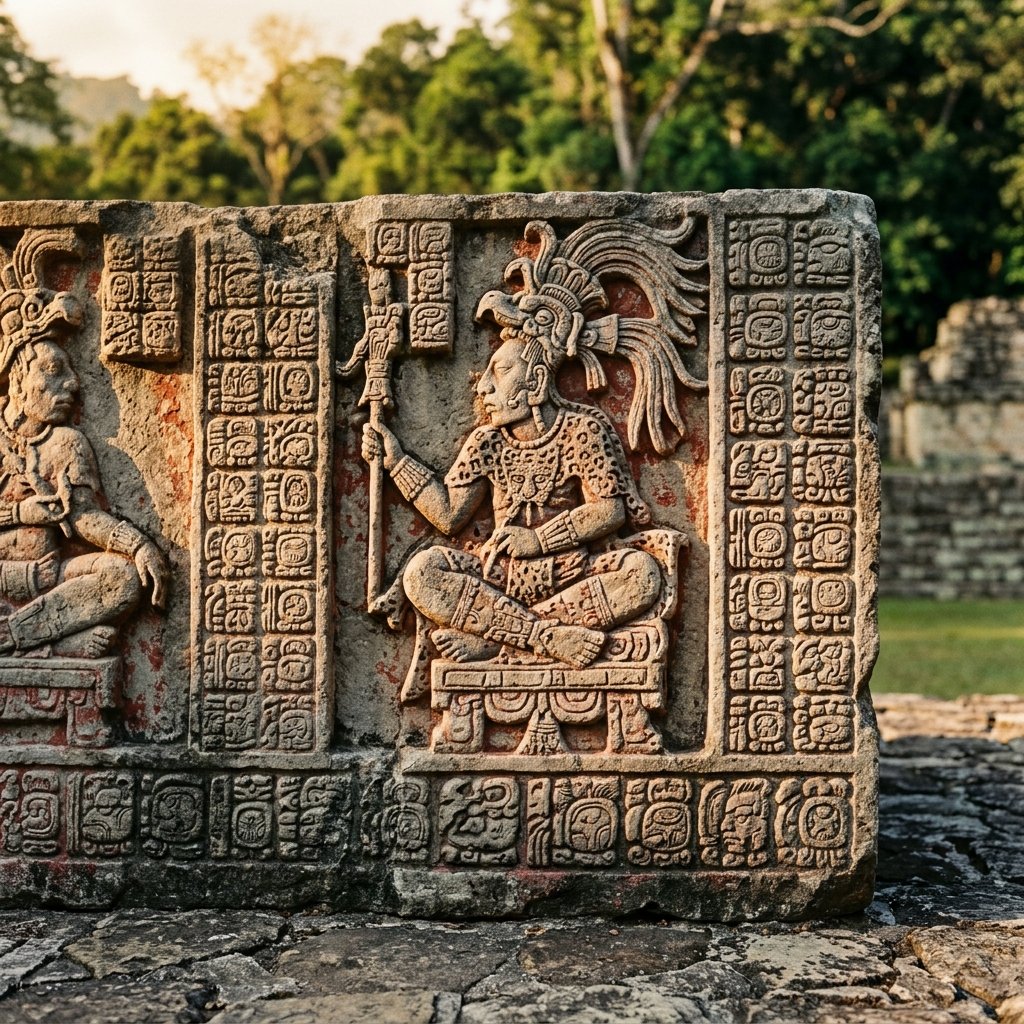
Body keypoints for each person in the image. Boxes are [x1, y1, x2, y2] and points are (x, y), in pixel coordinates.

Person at [0, 244, 168, 658]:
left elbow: (85, 518)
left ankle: (21, 635)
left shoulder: (65, 443)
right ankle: (51, 642)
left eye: (71, 371)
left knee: (121, 578)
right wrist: (19, 513)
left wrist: (138, 546)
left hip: (52, 575)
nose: (72, 383)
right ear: (17, 379)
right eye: (53, 371)